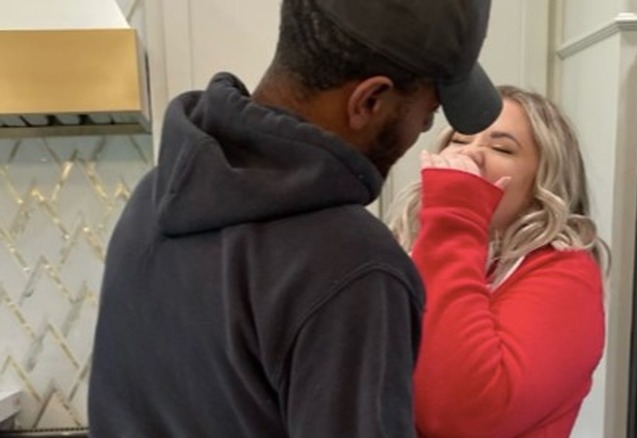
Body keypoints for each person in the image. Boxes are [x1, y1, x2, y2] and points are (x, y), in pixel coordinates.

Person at [88, 0, 501, 437]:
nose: (421, 130)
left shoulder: (154, 196)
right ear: (370, 100)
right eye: (427, 114)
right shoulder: (353, 265)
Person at [388, 85, 608, 437]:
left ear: (543, 179)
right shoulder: (420, 256)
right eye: (459, 141)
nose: (472, 154)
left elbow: (460, 415)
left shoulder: (565, 274)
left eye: (501, 147)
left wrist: (455, 217)